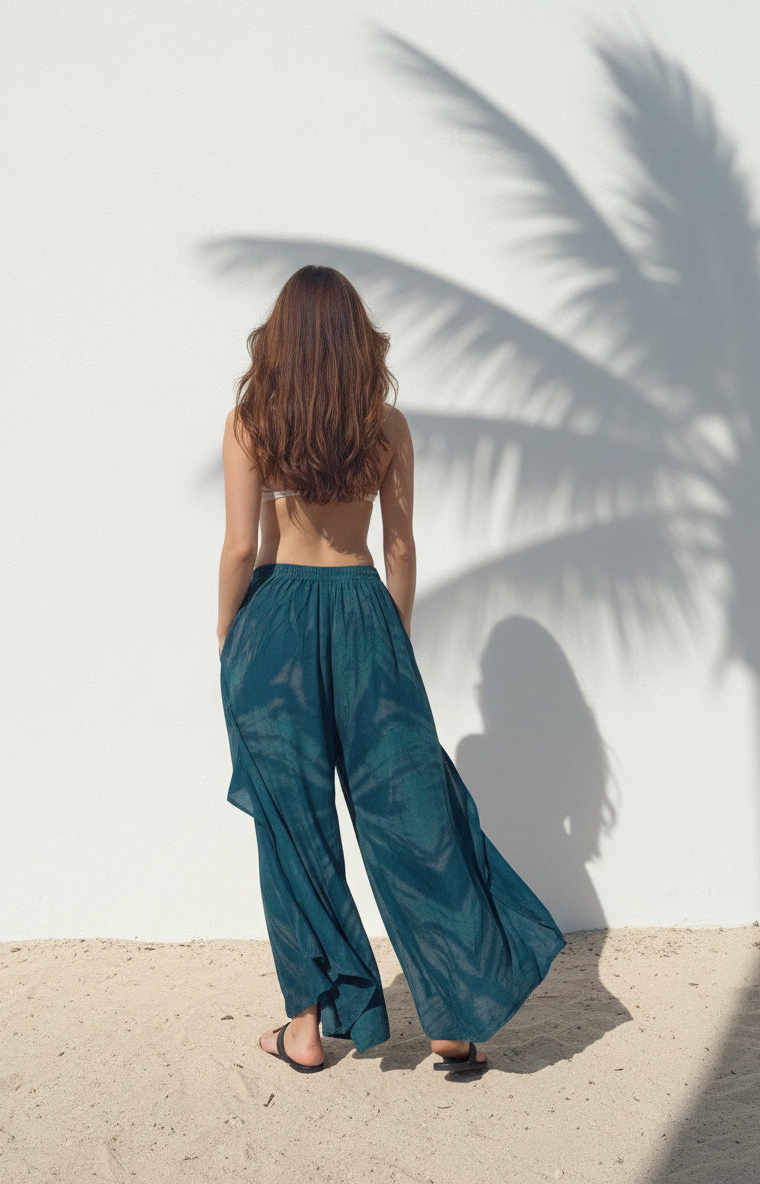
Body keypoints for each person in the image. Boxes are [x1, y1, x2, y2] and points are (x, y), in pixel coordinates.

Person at [217, 264, 565, 1076]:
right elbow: (401, 548)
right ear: (351, 341)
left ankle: (306, 1026)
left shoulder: (250, 423)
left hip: (273, 631)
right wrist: (390, 639)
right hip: (365, 615)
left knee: (294, 827)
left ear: (282, 340)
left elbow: (246, 549)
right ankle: (453, 1017)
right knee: (415, 820)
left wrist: (230, 636)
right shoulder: (386, 426)